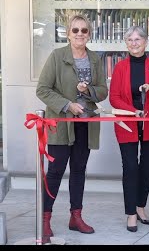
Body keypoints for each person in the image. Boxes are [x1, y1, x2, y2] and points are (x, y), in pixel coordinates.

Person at [36, 13, 108, 239]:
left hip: (85, 123)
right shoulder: (57, 57)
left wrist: (89, 92)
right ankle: (45, 220)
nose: (79, 34)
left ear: (89, 34)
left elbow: (103, 90)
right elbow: (43, 89)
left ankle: (75, 217)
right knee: (55, 172)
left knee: (78, 171)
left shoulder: (95, 59)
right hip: (61, 123)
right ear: (68, 34)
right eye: (75, 30)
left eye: (84, 31)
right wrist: (68, 105)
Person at [109, 26, 149, 232]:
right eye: (130, 40)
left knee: (147, 168)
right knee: (131, 168)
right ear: (126, 43)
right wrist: (133, 111)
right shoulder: (120, 67)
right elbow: (113, 98)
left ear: (145, 41)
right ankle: (131, 214)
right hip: (127, 123)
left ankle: (141, 206)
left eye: (138, 39)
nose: (134, 43)